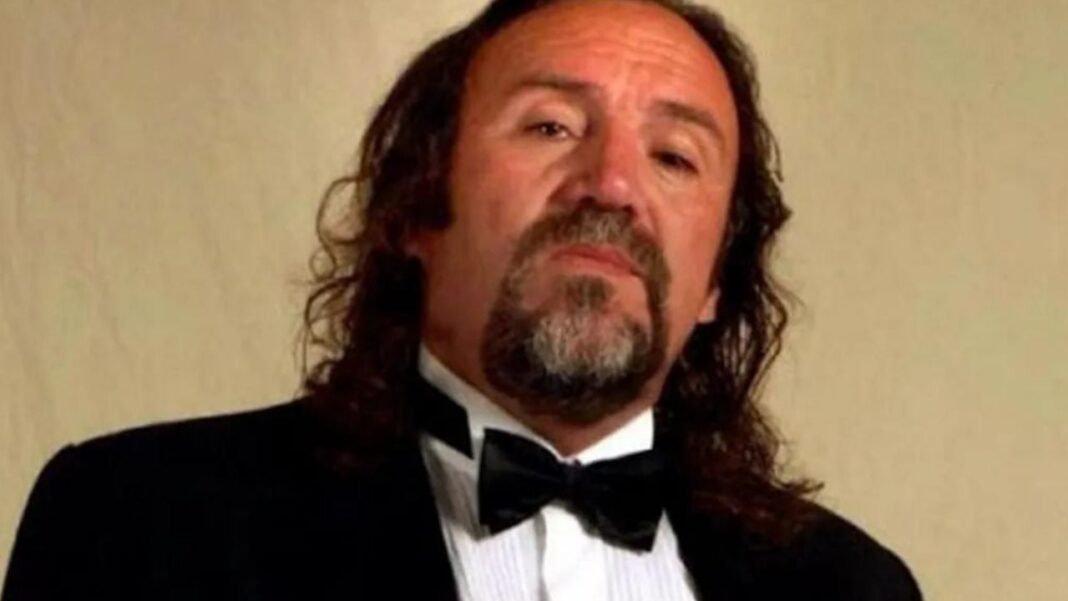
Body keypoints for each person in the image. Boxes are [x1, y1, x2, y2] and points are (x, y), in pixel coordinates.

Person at [3, 0, 922, 599]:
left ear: (717, 278)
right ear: (416, 206)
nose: (611, 184)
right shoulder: (138, 523)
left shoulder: (854, 588)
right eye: (551, 126)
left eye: (674, 156)